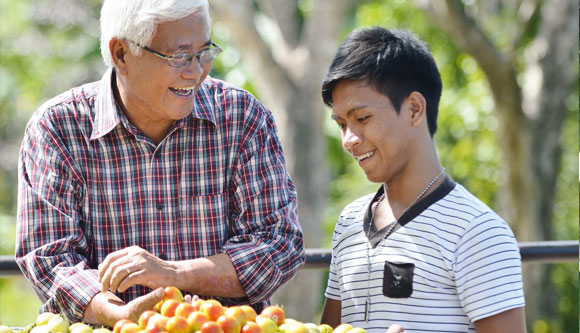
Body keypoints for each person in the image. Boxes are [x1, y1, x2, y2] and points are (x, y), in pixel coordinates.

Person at [15, 0, 304, 327]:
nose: (195, 72)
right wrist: (119, 314)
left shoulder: (243, 120)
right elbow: (51, 260)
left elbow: (279, 244)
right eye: (178, 55)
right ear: (121, 53)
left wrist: (175, 274)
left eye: (203, 52)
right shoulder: (57, 130)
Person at [319, 27, 526, 332]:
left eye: (362, 118)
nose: (349, 139)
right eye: (341, 124)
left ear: (414, 108)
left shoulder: (477, 232)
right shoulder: (349, 222)